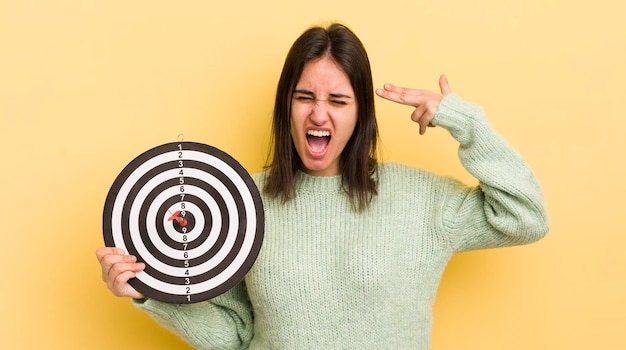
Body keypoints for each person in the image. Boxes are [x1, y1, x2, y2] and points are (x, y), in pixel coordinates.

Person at [96, 23, 549, 349]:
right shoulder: (239, 203)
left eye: (338, 100)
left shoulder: (423, 202)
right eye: (305, 97)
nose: (319, 114)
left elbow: (525, 217)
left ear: (360, 114)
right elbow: (235, 336)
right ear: (286, 106)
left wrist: (464, 121)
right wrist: (150, 293)